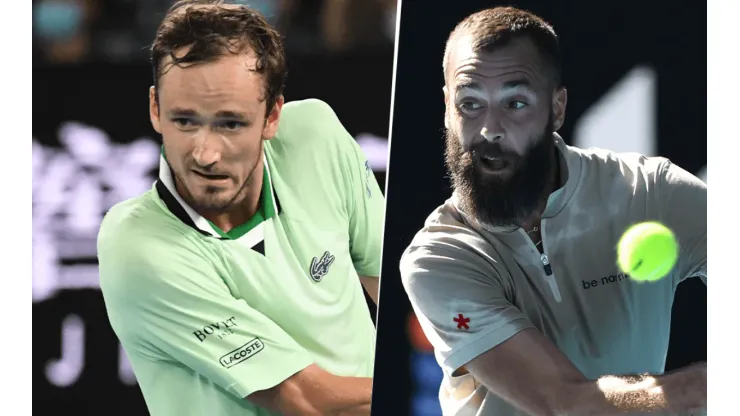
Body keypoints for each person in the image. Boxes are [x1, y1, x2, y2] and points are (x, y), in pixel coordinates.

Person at [399, 7, 706, 416]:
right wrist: (705, 389)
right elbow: (565, 403)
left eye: (516, 102)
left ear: (556, 109)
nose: (489, 128)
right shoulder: (437, 259)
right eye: (470, 103)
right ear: (446, 108)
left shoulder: (650, 193)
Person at [97, 1, 383, 415]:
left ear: (272, 116)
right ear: (155, 109)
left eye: (230, 123)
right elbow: (309, 402)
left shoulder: (316, 135)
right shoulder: (135, 243)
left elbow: (408, 298)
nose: (206, 153)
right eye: (185, 121)